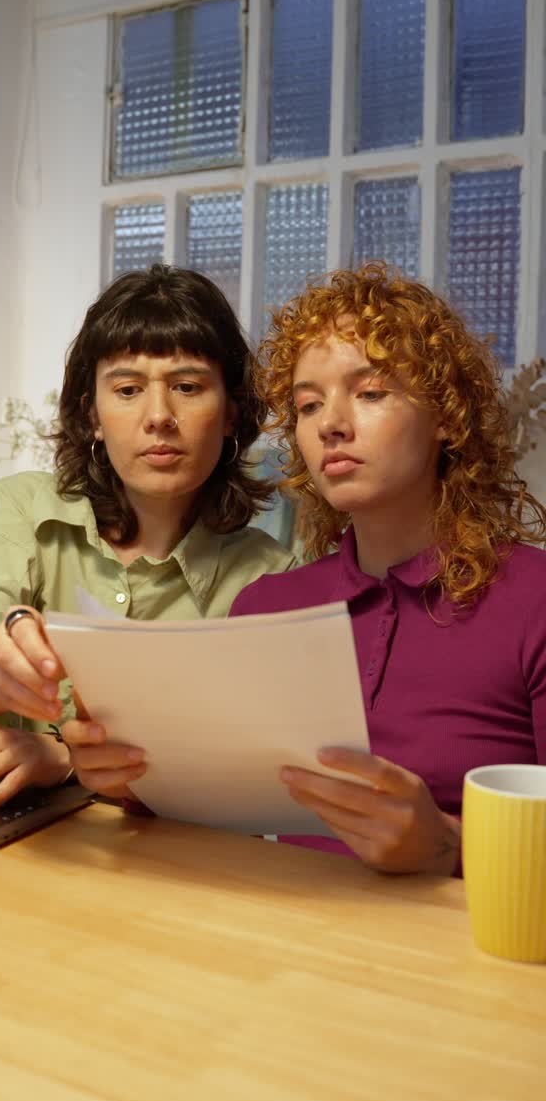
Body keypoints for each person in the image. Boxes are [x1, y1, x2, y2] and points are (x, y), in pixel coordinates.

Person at [0, 265, 294, 811]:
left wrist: (64, 759)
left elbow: (244, 772)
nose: (158, 417)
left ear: (230, 414)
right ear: (92, 414)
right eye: (127, 390)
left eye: (188, 387)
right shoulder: (22, 509)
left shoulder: (271, 579)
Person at [226, 262, 546, 875]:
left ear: (448, 416)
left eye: (370, 392)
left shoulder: (533, 602)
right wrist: (131, 779)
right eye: (309, 404)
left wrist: (448, 845)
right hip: (285, 949)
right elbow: (216, 808)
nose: (331, 425)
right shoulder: (264, 610)